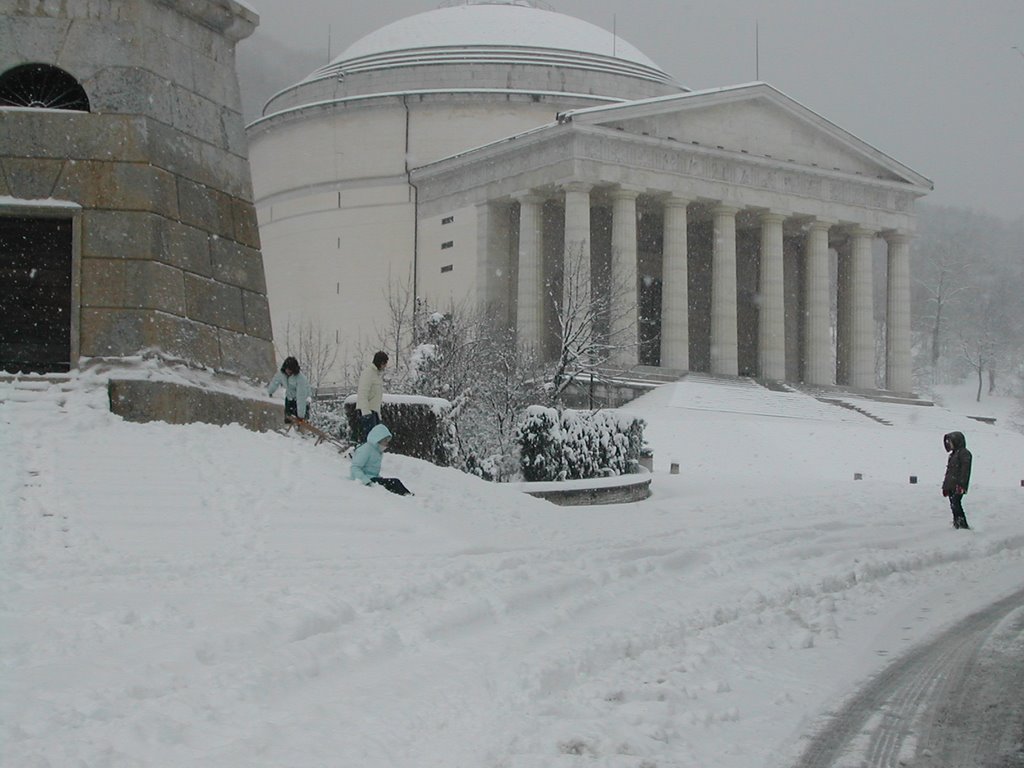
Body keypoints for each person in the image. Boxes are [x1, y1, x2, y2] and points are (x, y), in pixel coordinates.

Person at [350, 423, 413, 496]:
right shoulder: (366, 449)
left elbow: (372, 471)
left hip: (372, 478)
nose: (386, 443)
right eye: (385, 440)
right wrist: (366, 481)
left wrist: (379, 478)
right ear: (378, 439)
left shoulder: (377, 451)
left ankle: (406, 494)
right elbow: (355, 468)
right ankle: (407, 495)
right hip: (366, 480)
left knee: (392, 484)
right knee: (395, 482)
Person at [942, 430, 973, 530]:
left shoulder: (964, 453)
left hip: (958, 485)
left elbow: (965, 471)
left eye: (951, 442)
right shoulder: (953, 455)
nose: (949, 444)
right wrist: (945, 487)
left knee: (956, 503)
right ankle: (957, 523)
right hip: (952, 485)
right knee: (953, 504)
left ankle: (962, 524)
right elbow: (949, 473)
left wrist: (961, 485)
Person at [267, 356, 312, 423]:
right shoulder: (282, 374)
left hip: (303, 401)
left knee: (301, 421)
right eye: (287, 369)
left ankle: (302, 426)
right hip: (290, 397)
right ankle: (288, 428)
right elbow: (275, 382)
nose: (288, 371)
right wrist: (270, 391)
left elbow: (301, 397)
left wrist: (301, 416)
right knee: (288, 418)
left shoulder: (300, 379)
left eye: (290, 370)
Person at [355, 350, 388, 441]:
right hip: (367, 412)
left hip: (374, 412)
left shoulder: (376, 375)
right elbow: (363, 393)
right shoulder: (368, 373)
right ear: (381, 362)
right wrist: (366, 413)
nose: (385, 366)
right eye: (385, 364)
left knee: (374, 440)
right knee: (369, 441)